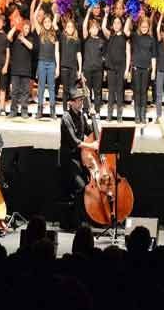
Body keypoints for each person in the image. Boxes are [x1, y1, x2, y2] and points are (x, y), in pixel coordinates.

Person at [59, 88, 98, 225]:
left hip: (80, 158)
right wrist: (92, 146)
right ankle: (79, 221)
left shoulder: (81, 115)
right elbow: (74, 141)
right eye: (79, 100)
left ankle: (88, 218)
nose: (81, 103)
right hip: (69, 159)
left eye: (82, 100)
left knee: (89, 185)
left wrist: (94, 118)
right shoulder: (66, 118)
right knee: (81, 187)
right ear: (70, 103)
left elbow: (90, 132)